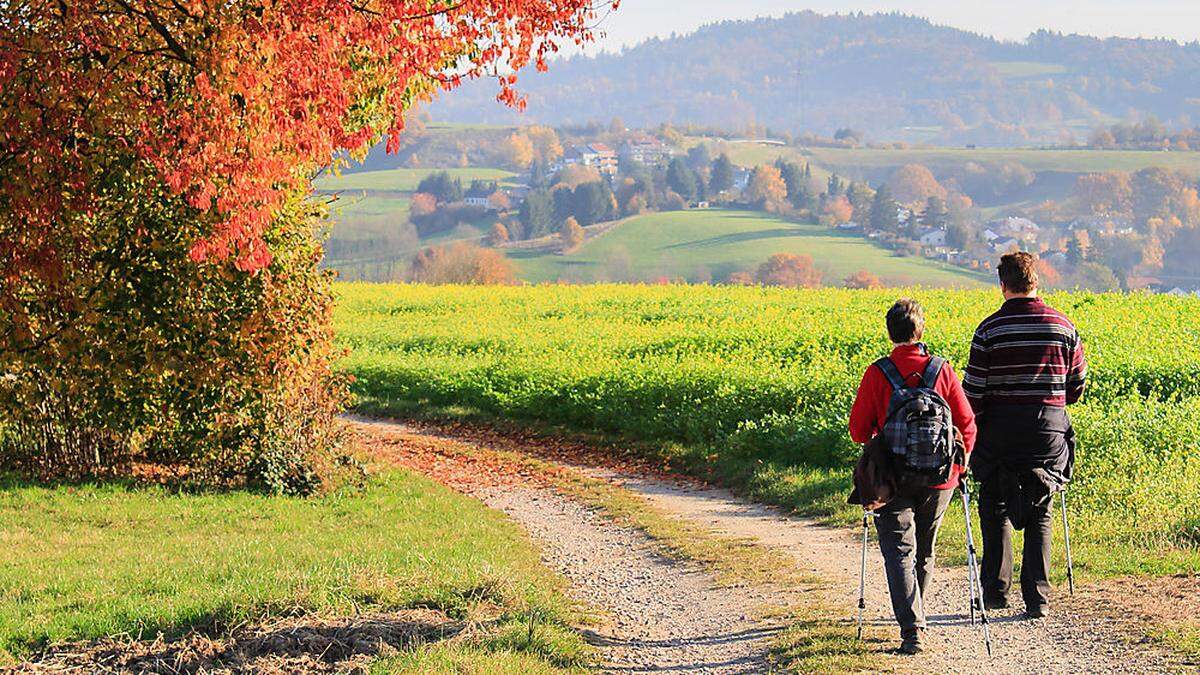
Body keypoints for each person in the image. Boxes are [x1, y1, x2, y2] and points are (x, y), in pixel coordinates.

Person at [849, 299, 977, 655]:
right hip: (940, 478)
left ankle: (912, 630)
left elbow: (858, 431)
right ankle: (917, 615)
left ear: (890, 332)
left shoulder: (878, 373)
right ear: (921, 330)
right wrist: (959, 465)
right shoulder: (943, 371)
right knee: (924, 551)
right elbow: (966, 423)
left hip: (891, 480)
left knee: (899, 552)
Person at [964, 252, 1087, 619]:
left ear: (1003, 285)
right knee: (1041, 507)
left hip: (999, 430)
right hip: (1047, 430)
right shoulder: (1064, 327)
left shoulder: (988, 330)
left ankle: (996, 593)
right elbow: (1077, 385)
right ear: (1037, 281)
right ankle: (1038, 599)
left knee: (995, 507)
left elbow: (973, 392)